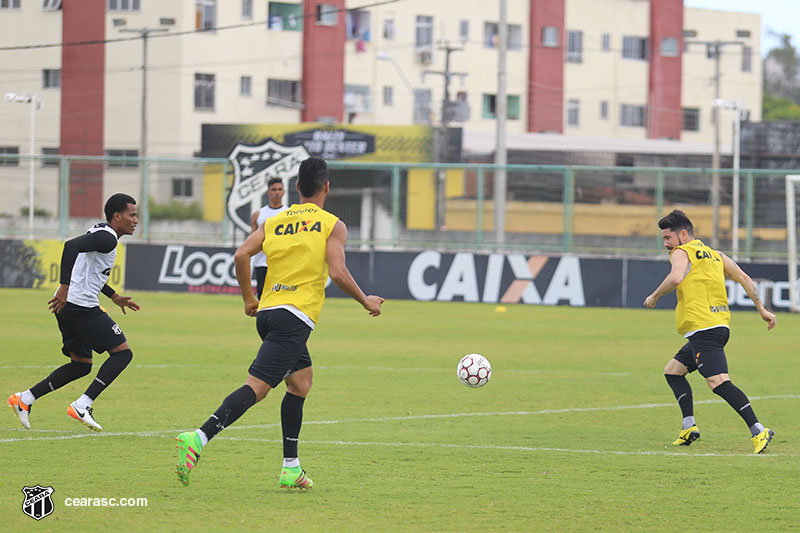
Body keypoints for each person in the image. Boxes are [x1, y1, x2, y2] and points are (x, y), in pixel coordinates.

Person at [176, 157, 384, 488]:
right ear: (326, 187)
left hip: (269, 312)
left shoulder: (275, 220)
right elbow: (337, 272)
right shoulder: (332, 224)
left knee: (301, 383)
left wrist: (249, 298)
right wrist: (366, 301)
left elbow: (241, 255)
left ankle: (291, 467)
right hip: (295, 317)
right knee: (257, 388)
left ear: (297, 187)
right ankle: (199, 437)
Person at [644, 210, 777, 454]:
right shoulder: (716, 255)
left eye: (668, 238)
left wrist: (654, 296)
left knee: (718, 382)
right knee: (673, 371)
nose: (665, 244)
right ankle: (689, 427)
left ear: (683, 235)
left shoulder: (681, 252)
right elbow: (745, 278)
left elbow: (675, 279)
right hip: (716, 326)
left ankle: (759, 430)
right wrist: (763, 310)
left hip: (703, 328)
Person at [8, 193, 141, 432]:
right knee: (123, 354)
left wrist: (113, 296)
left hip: (68, 307)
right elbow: (70, 246)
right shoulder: (107, 238)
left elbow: (89, 271)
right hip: (80, 307)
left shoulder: (101, 232)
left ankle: (24, 399)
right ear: (117, 217)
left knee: (81, 364)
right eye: (132, 215)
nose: (136, 220)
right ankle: (83, 404)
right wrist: (65, 288)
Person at [250, 177, 288, 299]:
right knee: (263, 298)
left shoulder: (289, 213)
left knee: (281, 297)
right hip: (262, 262)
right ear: (268, 192)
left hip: (282, 262)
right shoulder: (259, 214)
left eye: (280, 189)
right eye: (274, 189)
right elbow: (252, 239)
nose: (277, 192)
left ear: (284, 192)